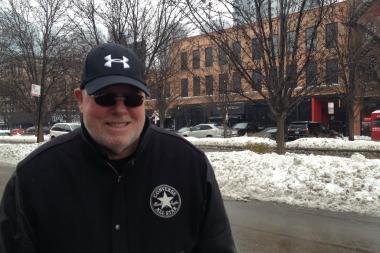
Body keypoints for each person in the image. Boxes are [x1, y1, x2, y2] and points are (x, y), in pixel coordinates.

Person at [0, 43, 236, 252]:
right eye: (105, 97)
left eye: (133, 98)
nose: (120, 109)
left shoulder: (189, 165)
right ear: (80, 100)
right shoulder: (35, 177)